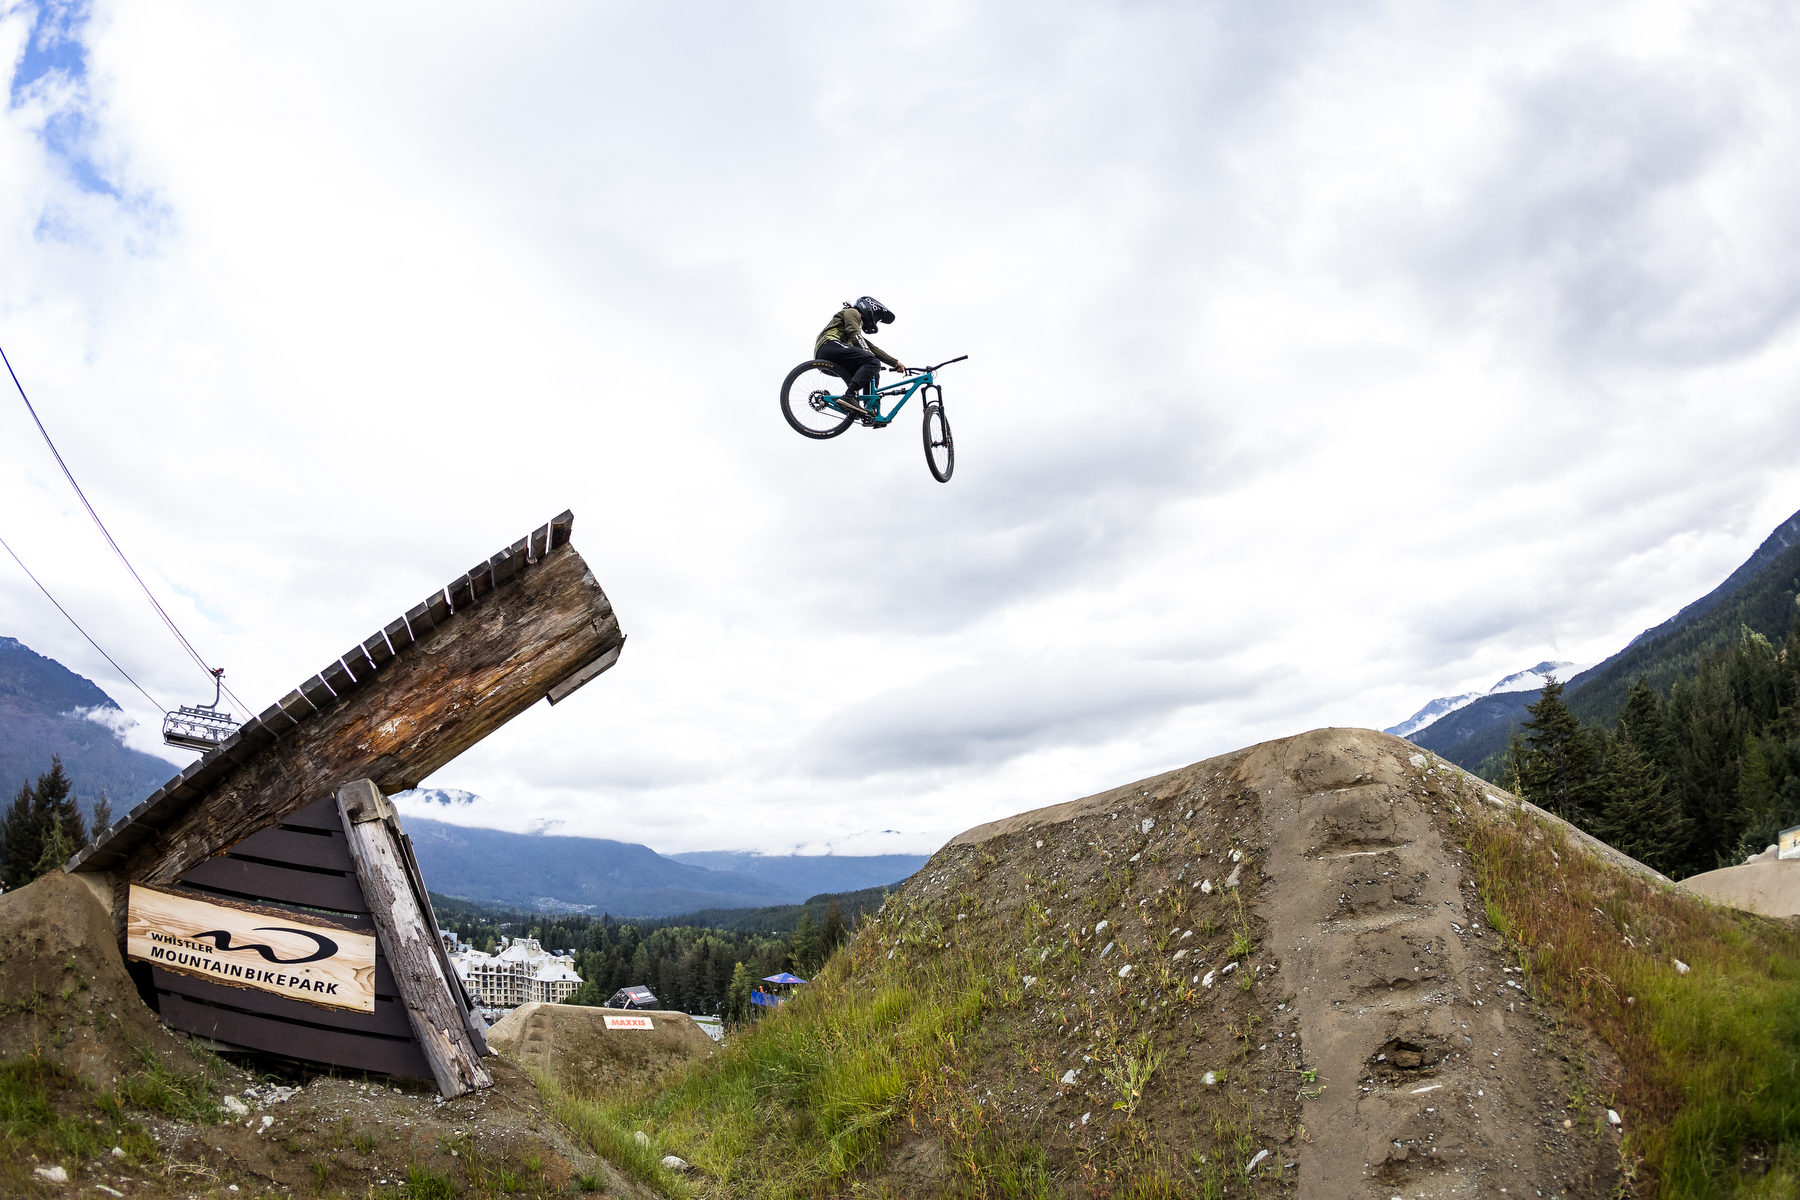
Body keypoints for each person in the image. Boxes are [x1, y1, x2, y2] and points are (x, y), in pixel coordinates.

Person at [815, 297, 907, 417]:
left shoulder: (855, 322)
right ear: (869, 308)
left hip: (833, 353)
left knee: (872, 371)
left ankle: (869, 410)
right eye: (877, 317)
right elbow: (854, 333)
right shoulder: (852, 312)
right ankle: (849, 396)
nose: (875, 320)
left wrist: (894, 362)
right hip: (829, 345)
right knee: (872, 362)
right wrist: (872, 359)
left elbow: (871, 347)